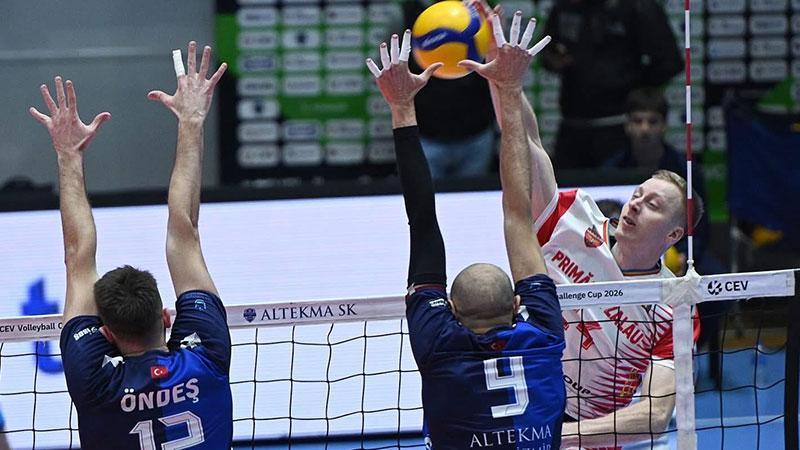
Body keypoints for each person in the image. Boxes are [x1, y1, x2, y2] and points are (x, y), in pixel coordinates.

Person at [471, 2, 701, 447]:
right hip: (521, 397)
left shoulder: (673, 303)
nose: (636, 205)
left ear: (674, 235)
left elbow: (655, 415)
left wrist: (558, 437)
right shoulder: (572, 218)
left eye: (653, 205)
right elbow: (528, 141)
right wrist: (504, 78)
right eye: (638, 194)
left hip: (585, 432)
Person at [366, 22, 565, 449]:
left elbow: (425, 221)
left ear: (453, 311)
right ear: (518, 306)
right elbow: (518, 215)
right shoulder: (542, 335)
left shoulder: (443, 344)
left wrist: (402, 107)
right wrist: (509, 89)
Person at [32, 42, 231, 449]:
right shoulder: (206, 357)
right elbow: (185, 232)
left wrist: (69, 155)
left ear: (105, 333)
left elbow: (77, 257)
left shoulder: (94, 381)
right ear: (166, 316)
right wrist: (192, 120)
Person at [539, 0, 682, 169]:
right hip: (572, 124)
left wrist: (633, 88)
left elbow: (670, 62)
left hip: (619, 125)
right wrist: (554, 60)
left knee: (618, 183)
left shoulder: (638, 6)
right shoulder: (566, 6)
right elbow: (546, 50)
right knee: (564, 184)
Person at [401, 0, 497, 179]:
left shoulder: (481, 11)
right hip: (427, 133)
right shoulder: (409, 11)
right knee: (425, 194)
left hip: (477, 131)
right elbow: (389, 67)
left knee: (472, 194)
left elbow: (499, 64)